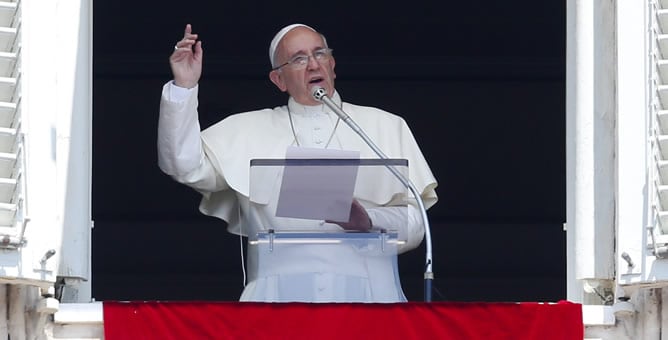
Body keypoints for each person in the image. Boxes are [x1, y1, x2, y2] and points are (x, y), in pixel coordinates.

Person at [158, 23, 438, 302]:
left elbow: (416, 223)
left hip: (370, 299)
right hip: (275, 301)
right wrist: (184, 87)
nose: (313, 64)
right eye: (299, 59)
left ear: (333, 65)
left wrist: (368, 221)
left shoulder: (384, 126)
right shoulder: (247, 129)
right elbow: (183, 166)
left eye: (320, 54)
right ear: (278, 80)